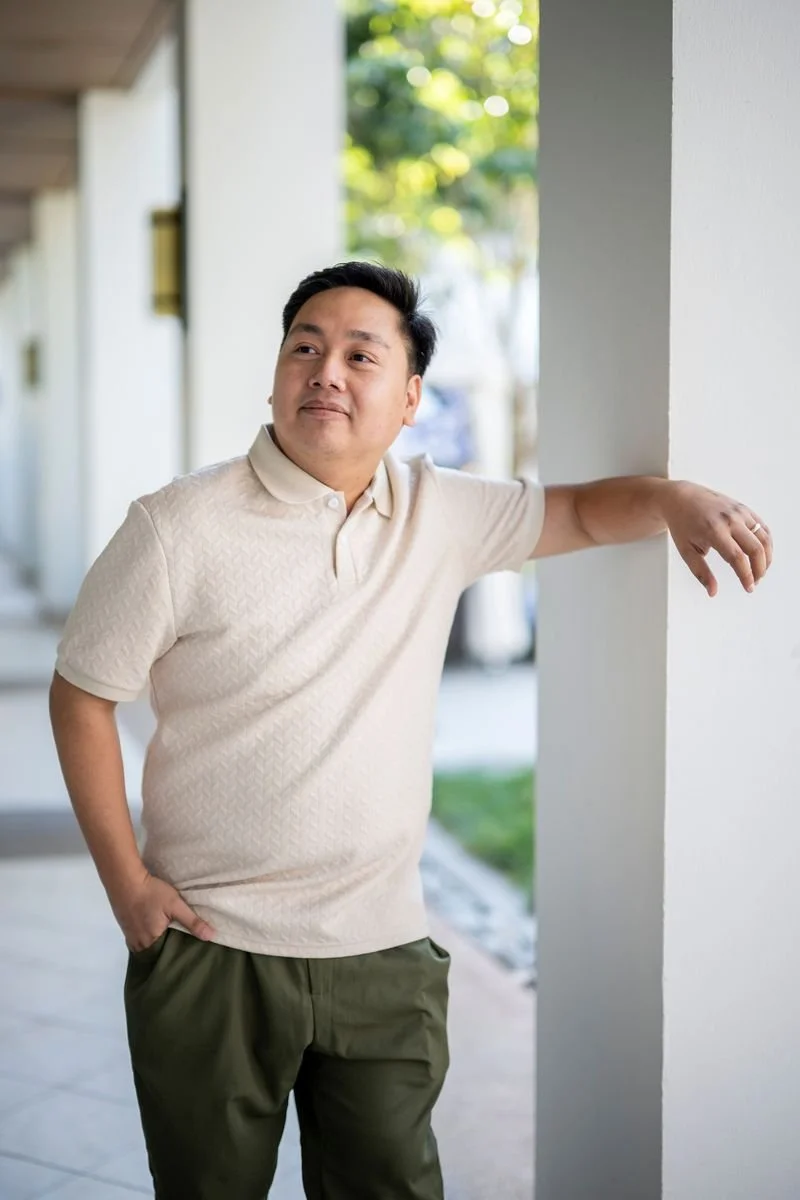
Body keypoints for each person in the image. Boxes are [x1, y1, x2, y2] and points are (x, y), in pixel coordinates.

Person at [49, 261, 773, 1200]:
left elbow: (584, 511)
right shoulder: (177, 527)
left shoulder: (441, 513)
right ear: (277, 372)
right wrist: (129, 888)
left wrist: (678, 499)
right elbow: (81, 695)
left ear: (410, 397)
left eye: (361, 354)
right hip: (209, 950)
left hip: (381, 953)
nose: (327, 372)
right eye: (305, 347)